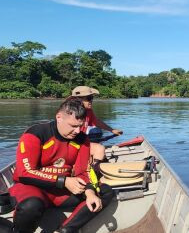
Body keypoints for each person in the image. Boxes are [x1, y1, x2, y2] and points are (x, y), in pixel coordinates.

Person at [9, 98, 113, 233]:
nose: (77, 131)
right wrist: (63, 181)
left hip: (61, 192)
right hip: (32, 188)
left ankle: (64, 230)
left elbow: (84, 170)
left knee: (105, 191)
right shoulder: (36, 133)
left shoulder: (82, 139)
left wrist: (90, 191)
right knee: (31, 206)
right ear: (59, 117)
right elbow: (25, 172)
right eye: (73, 126)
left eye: (80, 126)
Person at [71, 86, 123, 163]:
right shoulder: (71, 112)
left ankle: (93, 166)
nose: (91, 101)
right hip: (71, 143)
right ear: (78, 100)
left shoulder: (88, 111)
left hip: (80, 141)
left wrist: (112, 130)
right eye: (89, 98)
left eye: (92, 98)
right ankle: (93, 171)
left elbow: (96, 122)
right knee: (99, 148)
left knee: (97, 151)